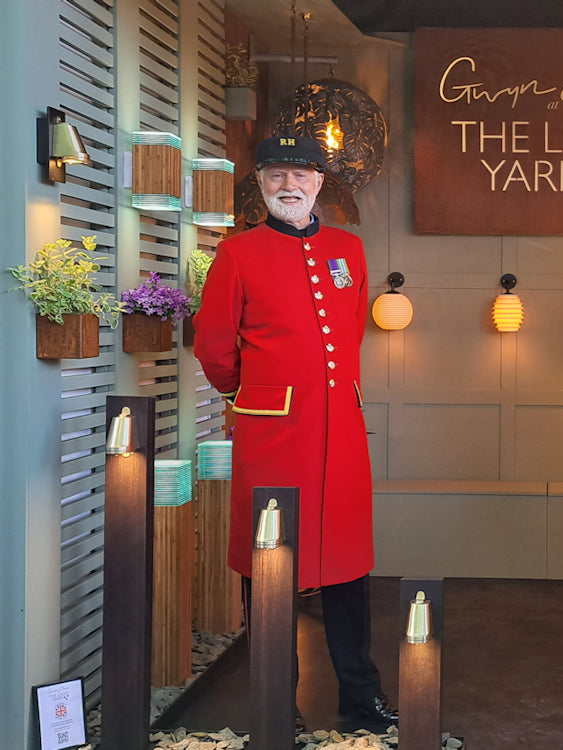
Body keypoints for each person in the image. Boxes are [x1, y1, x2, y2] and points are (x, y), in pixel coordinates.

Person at [193, 135, 397, 734]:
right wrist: (253, 398)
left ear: (318, 183)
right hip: (273, 438)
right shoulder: (237, 253)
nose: (289, 185)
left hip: (341, 435)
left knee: (348, 567)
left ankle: (362, 699)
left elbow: (351, 331)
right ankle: (275, 704)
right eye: (277, 174)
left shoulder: (348, 251)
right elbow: (213, 346)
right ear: (261, 183)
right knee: (271, 568)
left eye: (301, 174)